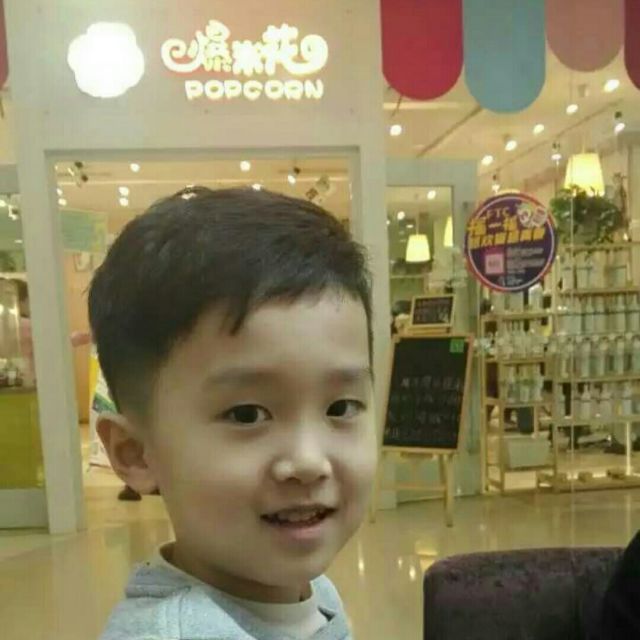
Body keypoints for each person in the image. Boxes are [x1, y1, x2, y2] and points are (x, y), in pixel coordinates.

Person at [90, 187, 377, 640]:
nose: (308, 461)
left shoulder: (314, 593)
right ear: (135, 453)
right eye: (247, 415)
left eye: (340, 407)